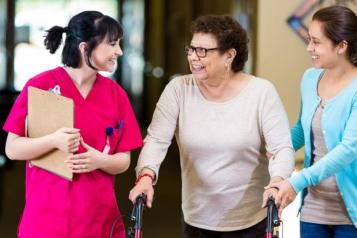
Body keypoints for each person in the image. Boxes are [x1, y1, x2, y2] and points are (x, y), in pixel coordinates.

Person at [129, 15, 295, 237]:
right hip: (197, 219)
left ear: (229, 55)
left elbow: (281, 148)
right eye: (192, 49)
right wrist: (146, 176)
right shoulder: (179, 90)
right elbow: (157, 140)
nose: (194, 57)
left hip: (252, 221)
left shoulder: (261, 93)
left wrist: (277, 182)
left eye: (203, 51)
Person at [3, 11, 142, 238]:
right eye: (113, 44)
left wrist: (100, 160)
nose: (119, 51)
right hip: (46, 220)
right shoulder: (40, 86)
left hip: (99, 219)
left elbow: (124, 160)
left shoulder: (116, 95)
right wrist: (53, 141)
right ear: (85, 48)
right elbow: (12, 149)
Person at [266, 5, 357, 238]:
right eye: (309, 40)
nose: (309, 48)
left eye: (316, 42)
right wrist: (274, 148)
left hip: (352, 213)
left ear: (341, 46)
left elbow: (349, 149)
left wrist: (298, 181)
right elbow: (301, 130)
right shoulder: (310, 78)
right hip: (314, 209)